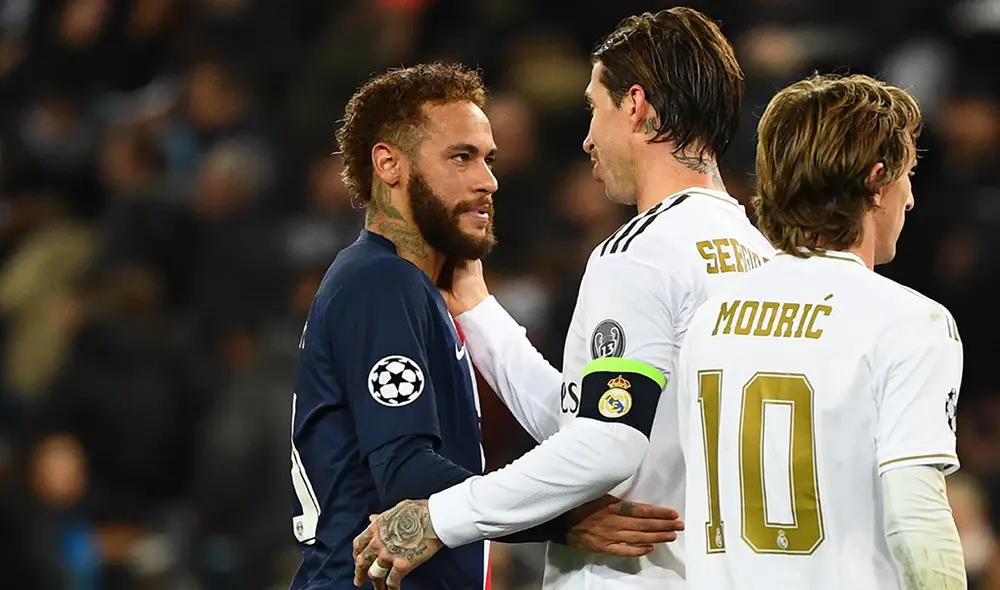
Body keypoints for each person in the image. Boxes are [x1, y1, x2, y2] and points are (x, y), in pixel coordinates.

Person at [353, 9, 774, 589]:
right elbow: (595, 418)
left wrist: (442, 516)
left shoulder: (641, 253)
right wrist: (479, 311)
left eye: (593, 109)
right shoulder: (759, 254)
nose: (587, 138)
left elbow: (606, 444)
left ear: (635, 105)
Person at [288, 62, 681, 590]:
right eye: (461, 157)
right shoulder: (380, 283)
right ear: (388, 164)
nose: (487, 180)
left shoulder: (412, 289)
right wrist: (563, 516)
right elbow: (405, 471)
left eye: (488, 159)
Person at [676, 73, 967, 589]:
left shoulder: (709, 319)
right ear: (877, 182)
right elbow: (916, 519)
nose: (911, 201)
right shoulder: (908, 322)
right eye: (907, 177)